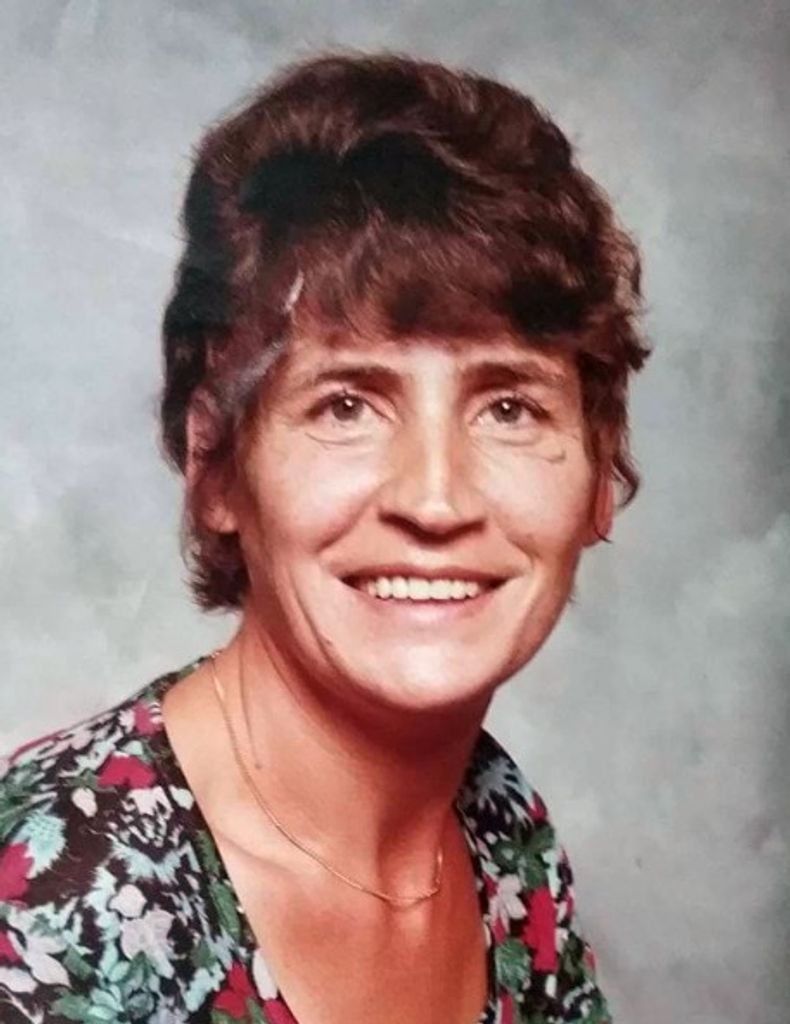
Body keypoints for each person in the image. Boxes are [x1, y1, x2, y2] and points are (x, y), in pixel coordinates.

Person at [0, 52, 649, 1023]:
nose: (436, 500)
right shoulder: (44, 922)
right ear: (216, 467)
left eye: (509, 407)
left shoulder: (500, 830)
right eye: (346, 404)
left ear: (601, 474)